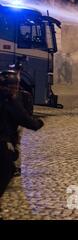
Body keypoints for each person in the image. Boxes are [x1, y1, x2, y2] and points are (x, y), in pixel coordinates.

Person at [0, 70, 44, 217]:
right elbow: (23, 118)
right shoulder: (9, 100)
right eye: (15, 87)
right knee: (6, 172)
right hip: (3, 142)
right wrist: (37, 124)